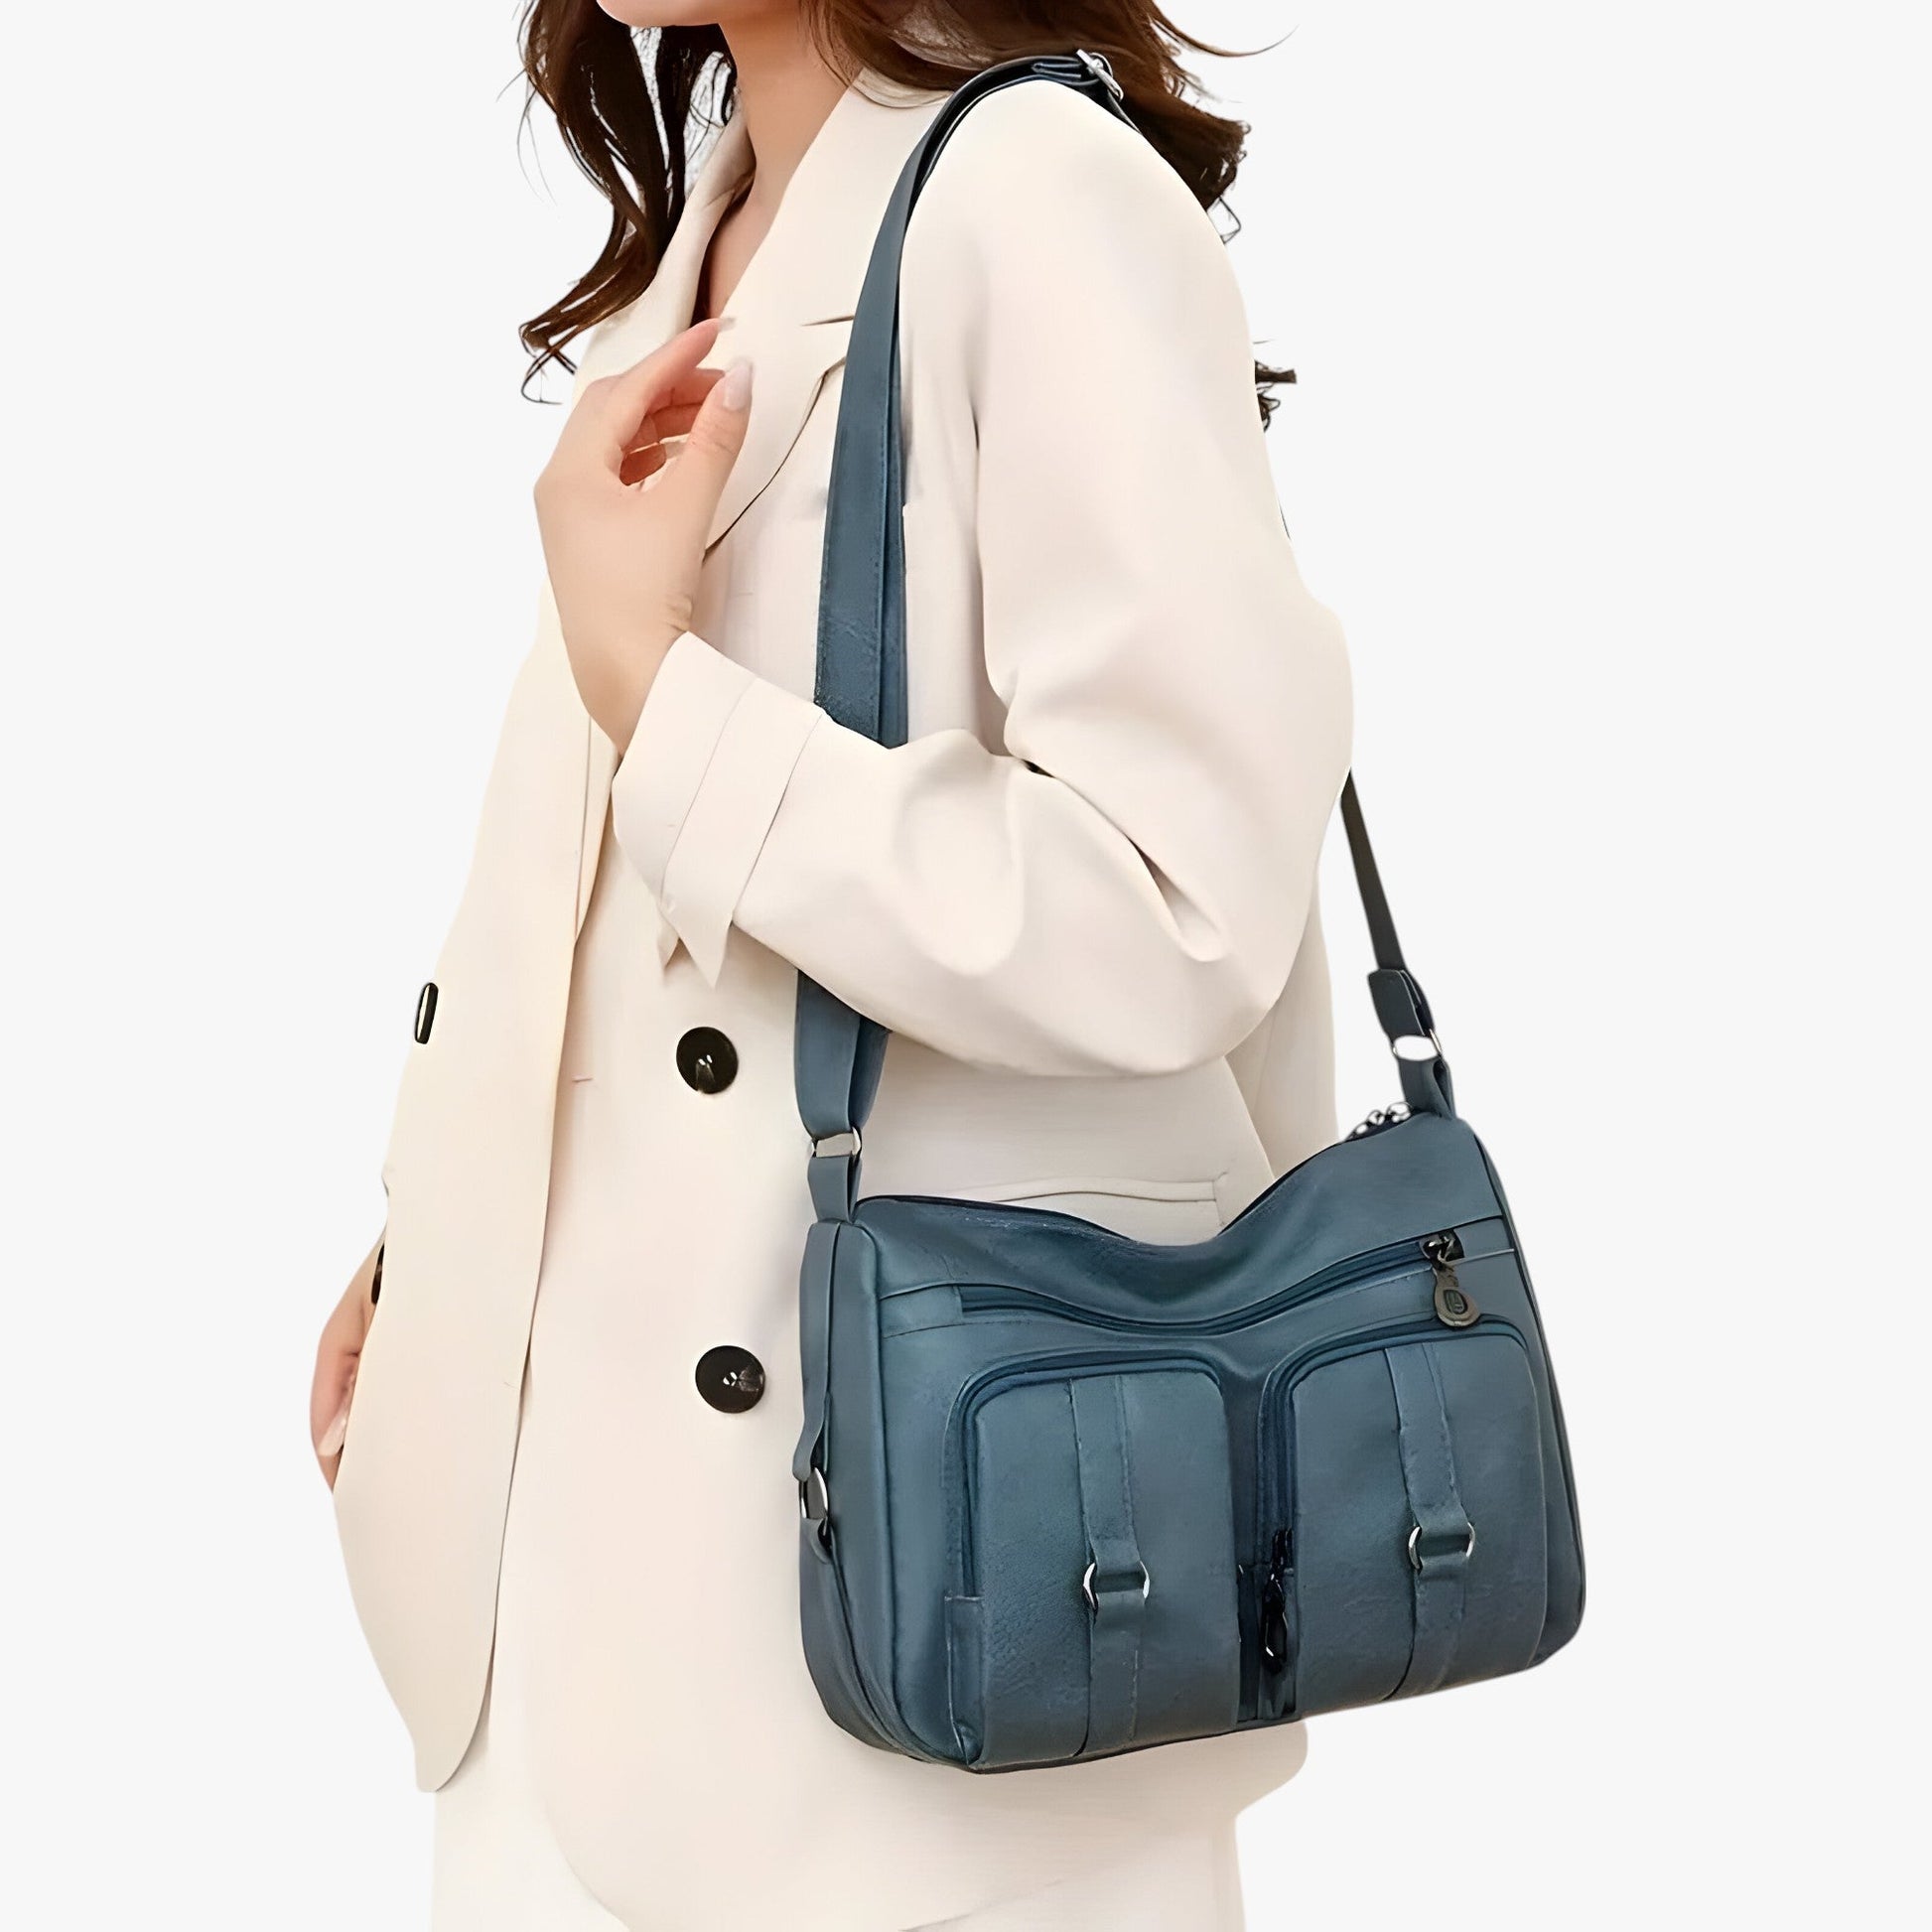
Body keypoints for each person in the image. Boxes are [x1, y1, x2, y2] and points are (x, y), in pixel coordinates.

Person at [312, 4, 1351, 1926]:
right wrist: (440, 1253)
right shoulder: (712, 229)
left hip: (941, 1627)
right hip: (561, 1618)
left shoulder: (1038, 197)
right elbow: (614, 927)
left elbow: (1175, 906)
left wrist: (663, 697)